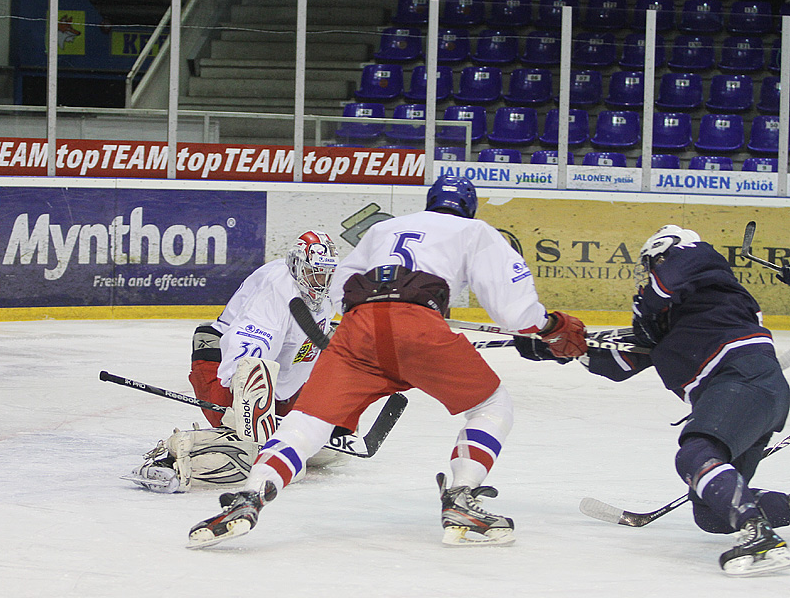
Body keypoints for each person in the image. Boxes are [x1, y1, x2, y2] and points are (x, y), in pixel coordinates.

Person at [187, 175, 588, 548]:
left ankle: (251, 494)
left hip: (359, 327)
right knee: (492, 404)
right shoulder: (475, 231)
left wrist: (388, 306)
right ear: (469, 208)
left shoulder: (383, 229)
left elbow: (343, 284)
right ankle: (461, 496)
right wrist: (550, 326)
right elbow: (516, 314)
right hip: (418, 328)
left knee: (308, 422)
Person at [516, 224, 790, 577]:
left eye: (651, 265)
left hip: (742, 377)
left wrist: (646, 313)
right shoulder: (676, 320)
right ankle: (754, 519)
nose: (648, 275)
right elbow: (620, 362)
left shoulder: (700, 258)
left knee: (695, 455)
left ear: (665, 253)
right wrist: (561, 349)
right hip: (751, 392)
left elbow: (668, 281)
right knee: (711, 512)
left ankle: (760, 535)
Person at [125, 230, 342, 493]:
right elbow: (247, 357)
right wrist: (245, 411)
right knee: (251, 447)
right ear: (296, 265)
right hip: (222, 366)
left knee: (312, 442)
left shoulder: (322, 288)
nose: (320, 280)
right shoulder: (276, 290)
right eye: (314, 272)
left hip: (275, 372)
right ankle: (174, 457)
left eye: (325, 273)